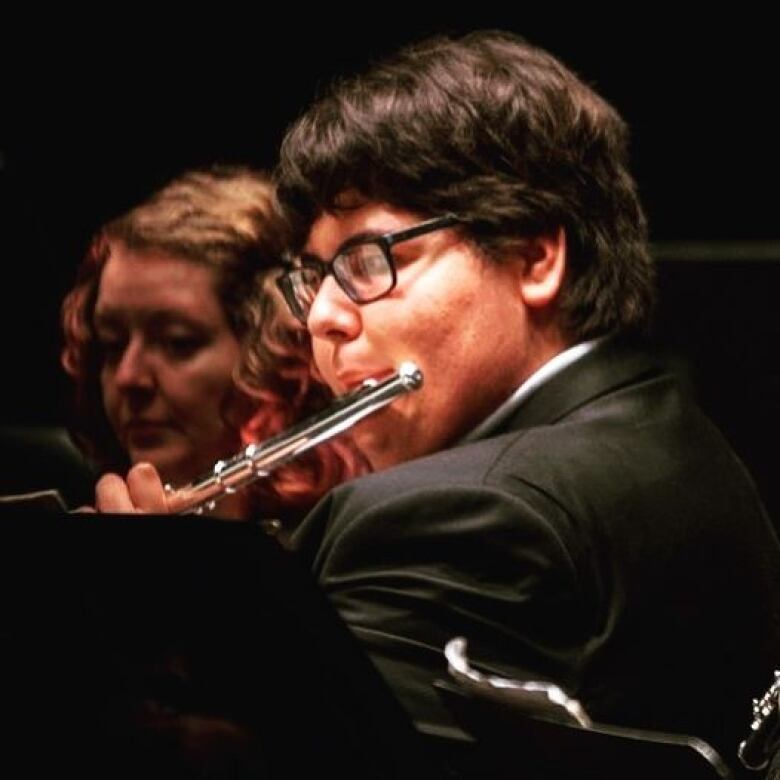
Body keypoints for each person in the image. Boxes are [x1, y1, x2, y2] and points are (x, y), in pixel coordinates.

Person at [96, 31, 780, 766]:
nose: (322, 315)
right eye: (313, 275)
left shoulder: (462, 514)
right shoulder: (665, 428)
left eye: (369, 260)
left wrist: (148, 613)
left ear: (535, 257)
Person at [62, 166, 362, 523]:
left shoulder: (350, 538)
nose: (129, 378)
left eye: (178, 343)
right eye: (111, 345)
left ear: (277, 352)